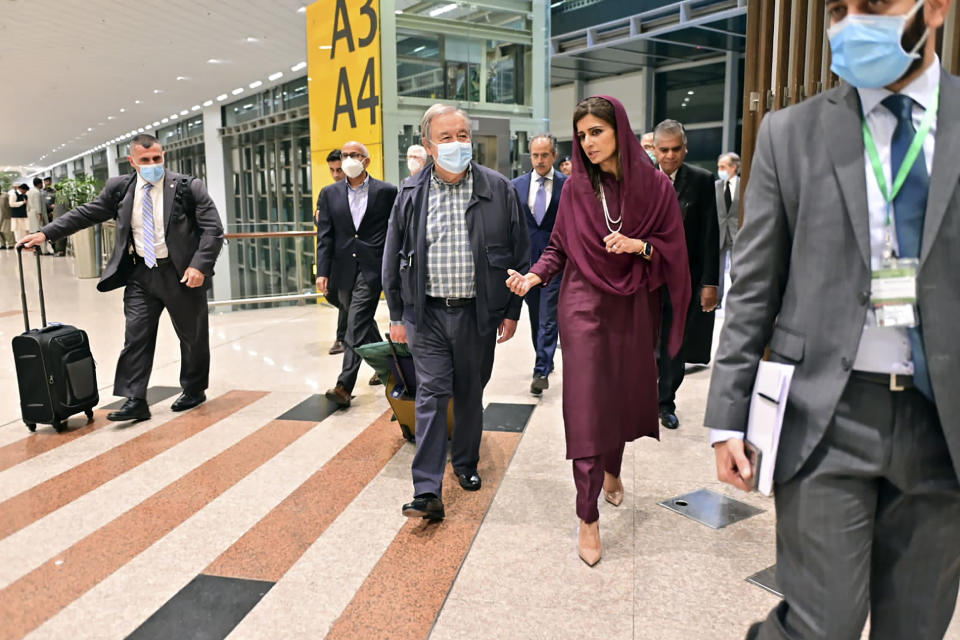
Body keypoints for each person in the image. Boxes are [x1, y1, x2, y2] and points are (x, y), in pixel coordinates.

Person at [706, 1, 960, 638]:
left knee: (917, 627)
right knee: (821, 625)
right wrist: (726, 416)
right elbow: (754, 287)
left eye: (872, 5)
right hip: (827, 414)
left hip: (945, 427)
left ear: (935, 8)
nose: (851, 22)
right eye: (840, 8)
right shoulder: (791, 133)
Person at [506, 96, 690, 566]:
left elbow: (671, 252)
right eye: (582, 135)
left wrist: (640, 247)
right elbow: (559, 249)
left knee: (622, 396)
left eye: (596, 133)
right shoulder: (576, 191)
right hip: (582, 304)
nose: (587, 143)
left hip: (632, 307)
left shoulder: (655, 189)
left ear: (619, 131)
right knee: (587, 403)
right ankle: (587, 515)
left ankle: (613, 466)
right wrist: (534, 276)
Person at [383, 104, 529, 521]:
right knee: (431, 395)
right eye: (446, 138)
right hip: (425, 314)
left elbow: (520, 253)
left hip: (477, 314)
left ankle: (464, 463)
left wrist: (512, 309)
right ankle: (426, 488)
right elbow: (392, 258)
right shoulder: (410, 194)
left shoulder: (498, 189)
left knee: (470, 393)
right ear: (428, 146)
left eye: (463, 135)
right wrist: (397, 315)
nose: (457, 144)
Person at [19, 134, 224, 422]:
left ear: (163, 156)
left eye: (157, 158)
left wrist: (199, 266)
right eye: (145, 160)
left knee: (192, 337)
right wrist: (47, 233)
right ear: (132, 161)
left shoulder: (188, 187)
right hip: (141, 274)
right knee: (136, 336)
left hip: (180, 274)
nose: (153, 165)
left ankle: (194, 389)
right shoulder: (121, 189)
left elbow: (213, 229)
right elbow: (86, 213)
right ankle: (135, 399)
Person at [316, 141, 398, 408]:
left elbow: (396, 230)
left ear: (367, 161)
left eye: (354, 155)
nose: (348, 159)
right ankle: (393, 368)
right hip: (342, 269)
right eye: (345, 155)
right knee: (361, 322)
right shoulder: (330, 194)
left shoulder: (386, 192)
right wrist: (323, 270)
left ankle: (344, 386)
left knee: (355, 323)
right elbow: (325, 236)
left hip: (372, 268)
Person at [654, 119, 720, 430]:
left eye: (676, 149)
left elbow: (710, 233)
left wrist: (710, 282)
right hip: (644, 279)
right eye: (664, 150)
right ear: (654, 149)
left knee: (674, 342)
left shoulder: (702, 180)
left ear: (685, 148)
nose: (670, 156)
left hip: (685, 278)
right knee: (643, 341)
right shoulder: (640, 179)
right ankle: (642, 397)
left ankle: (665, 401)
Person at [511, 133, 567, 395]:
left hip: (556, 262)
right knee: (535, 315)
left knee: (548, 315)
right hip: (527, 264)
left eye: (545, 155)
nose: (540, 160)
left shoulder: (568, 186)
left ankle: (541, 370)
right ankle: (544, 357)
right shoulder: (516, 186)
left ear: (554, 155)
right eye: (535, 155)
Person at [318, 149, 349, 356]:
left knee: (351, 302)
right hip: (335, 258)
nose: (336, 174)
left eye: (339, 169)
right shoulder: (328, 193)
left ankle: (342, 338)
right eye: (332, 170)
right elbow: (321, 223)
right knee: (335, 297)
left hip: (354, 259)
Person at [715, 152, 741, 302]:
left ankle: (736, 300)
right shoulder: (715, 186)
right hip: (719, 233)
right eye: (719, 167)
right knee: (717, 271)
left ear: (734, 168)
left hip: (737, 233)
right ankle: (716, 300)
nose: (720, 170)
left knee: (737, 269)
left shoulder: (744, 185)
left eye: (723, 167)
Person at [26, 178, 52, 255]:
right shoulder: (37, 192)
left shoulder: (30, 191)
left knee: (34, 233)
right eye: (42, 183)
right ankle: (44, 251)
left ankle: (36, 250)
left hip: (32, 214)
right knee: (41, 232)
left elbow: (28, 205)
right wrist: (40, 214)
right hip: (37, 215)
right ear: (39, 184)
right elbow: (37, 204)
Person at [0, 184, 14, 249]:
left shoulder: (5, 195)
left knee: (7, 231)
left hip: (6, 216)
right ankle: (2, 244)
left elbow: (10, 204)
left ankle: (11, 244)